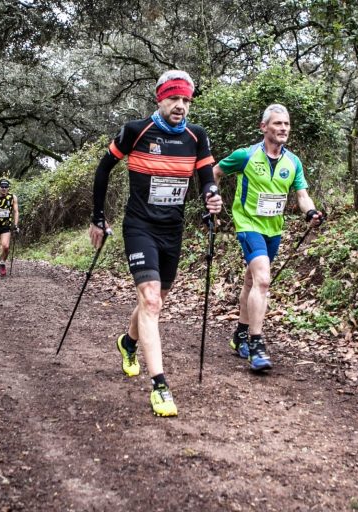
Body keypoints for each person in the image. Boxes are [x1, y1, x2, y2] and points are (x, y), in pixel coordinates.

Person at [90, 70, 223, 417]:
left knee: (156, 301)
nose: (180, 106)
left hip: (172, 229)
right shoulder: (136, 131)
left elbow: (206, 179)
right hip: (139, 226)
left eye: (186, 100)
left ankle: (128, 342)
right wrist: (97, 217)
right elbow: (103, 169)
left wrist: (212, 198)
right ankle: (160, 387)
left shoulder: (197, 136)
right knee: (150, 300)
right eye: (174, 99)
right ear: (160, 99)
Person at [214, 103, 324, 372]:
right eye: (277, 123)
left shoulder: (293, 161)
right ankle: (256, 344)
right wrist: (212, 202)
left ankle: (240, 333)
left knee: (252, 281)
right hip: (248, 224)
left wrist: (310, 211)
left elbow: (301, 194)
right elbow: (215, 171)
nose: (283, 128)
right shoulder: (245, 155)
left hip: (274, 228)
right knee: (263, 280)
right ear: (264, 127)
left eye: (286, 124)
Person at [0, 178, 19, 277]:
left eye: (6, 187)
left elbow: (16, 211)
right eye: (2, 187)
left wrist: (16, 224)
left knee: (6, 246)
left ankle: (2, 262)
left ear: (8, 187)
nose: (4, 189)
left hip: (6, 225)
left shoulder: (12, 197)